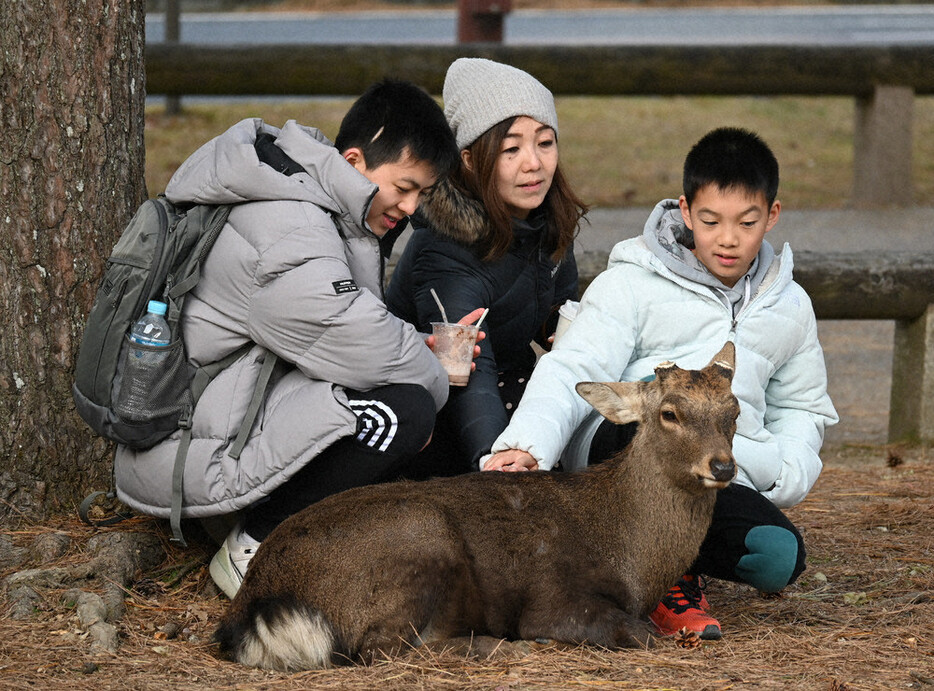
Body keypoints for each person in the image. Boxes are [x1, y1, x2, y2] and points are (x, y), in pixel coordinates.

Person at [112, 79, 466, 598]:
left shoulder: (305, 198)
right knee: (404, 411)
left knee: (420, 416)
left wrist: (418, 347)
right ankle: (252, 547)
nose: (412, 209)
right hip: (193, 448)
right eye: (405, 187)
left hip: (228, 415)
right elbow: (354, 337)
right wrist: (432, 371)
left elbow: (346, 324)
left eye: (422, 195)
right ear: (354, 161)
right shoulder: (288, 225)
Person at [482, 127, 838, 640]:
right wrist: (528, 445)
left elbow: (802, 407)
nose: (729, 238)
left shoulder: (790, 306)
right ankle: (666, 583)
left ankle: (670, 559)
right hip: (625, 454)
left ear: (773, 215)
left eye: (747, 222)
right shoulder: (632, 283)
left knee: (777, 557)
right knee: (656, 418)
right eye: (711, 221)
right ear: (686, 211)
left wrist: (784, 470)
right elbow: (572, 366)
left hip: (718, 465)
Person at [386, 58, 587, 475]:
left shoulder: (546, 219)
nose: (533, 163)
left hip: (509, 385)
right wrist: (495, 458)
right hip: (435, 412)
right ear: (470, 161)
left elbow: (561, 320)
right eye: (511, 149)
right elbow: (465, 371)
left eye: (545, 143)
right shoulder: (442, 251)